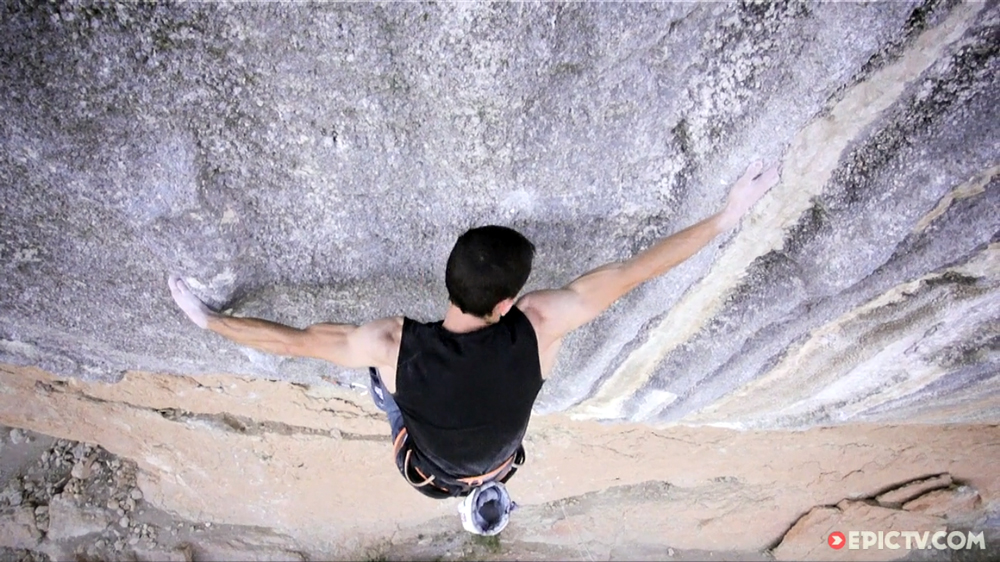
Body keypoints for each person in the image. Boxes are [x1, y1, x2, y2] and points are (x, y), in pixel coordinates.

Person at [168, 160, 780, 534]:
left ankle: (471, 482)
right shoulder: (540, 324)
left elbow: (297, 343)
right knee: (417, 402)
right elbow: (635, 271)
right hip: (484, 459)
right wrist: (728, 216)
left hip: (434, 464)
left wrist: (208, 322)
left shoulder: (391, 344)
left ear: (449, 280)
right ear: (507, 304)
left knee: (389, 391)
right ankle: (482, 493)